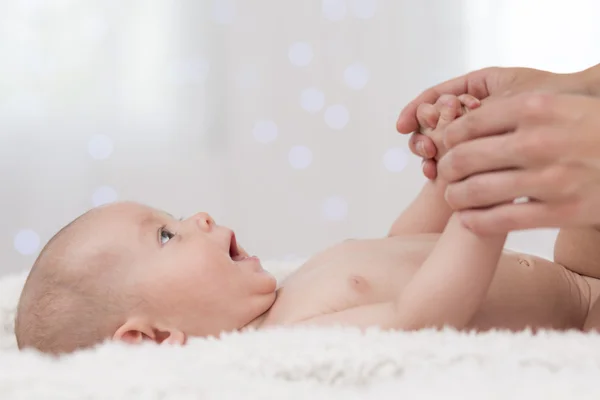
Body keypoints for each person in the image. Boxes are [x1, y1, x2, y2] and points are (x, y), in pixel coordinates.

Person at [15, 94, 600, 355]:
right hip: (585, 319)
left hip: (576, 266)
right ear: (153, 339)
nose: (198, 217)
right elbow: (420, 315)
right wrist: (482, 212)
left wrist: (446, 177)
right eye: (166, 235)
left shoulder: (294, 289)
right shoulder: (291, 340)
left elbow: (401, 247)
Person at [397, 62, 600, 329]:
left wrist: (452, 162)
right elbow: (413, 320)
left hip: (579, 270)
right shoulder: (331, 337)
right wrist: (478, 192)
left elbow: (406, 243)